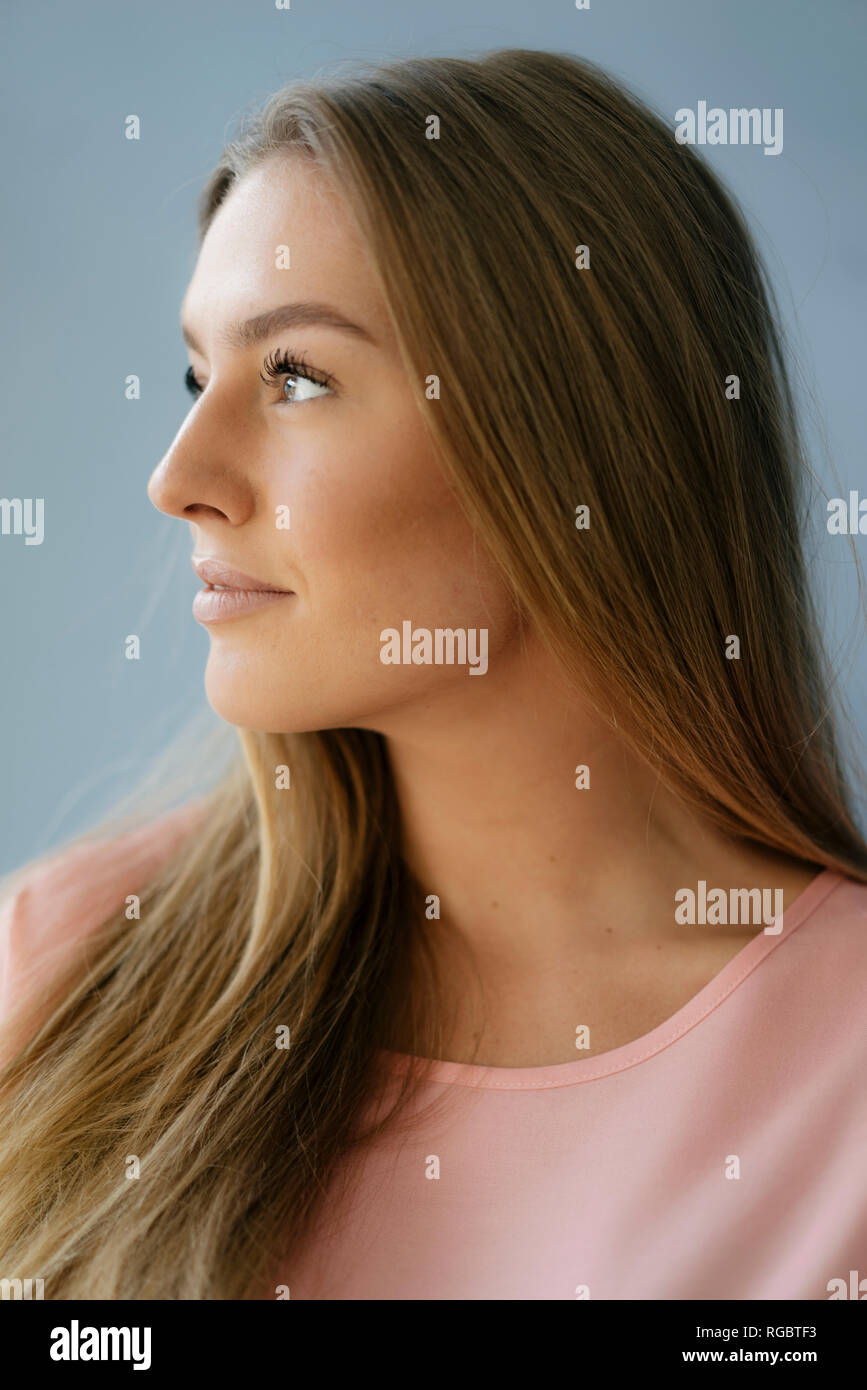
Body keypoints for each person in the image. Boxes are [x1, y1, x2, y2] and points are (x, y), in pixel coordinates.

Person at [1, 49, 866, 1301]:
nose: (179, 474)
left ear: (575, 443)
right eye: (201, 376)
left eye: (295, 375)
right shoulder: (57, 967)